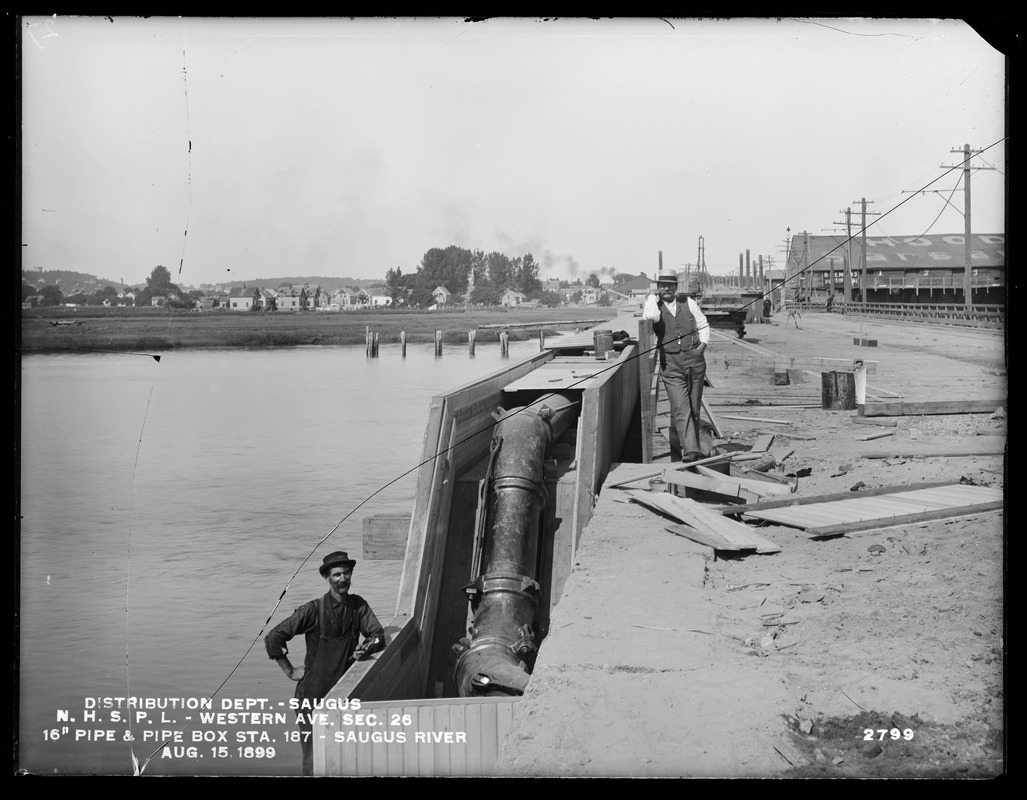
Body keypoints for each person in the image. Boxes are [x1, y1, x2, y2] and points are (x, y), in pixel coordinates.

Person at [265, 551, 385, 775]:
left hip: (344, 693)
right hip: (311, 699)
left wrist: (365, 647)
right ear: (327, 578)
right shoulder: (312, 610)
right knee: (312, 759)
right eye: (337, 575)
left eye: (346, 573)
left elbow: (378, 635)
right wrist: (290, 671)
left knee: (345, 756)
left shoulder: (358, 606)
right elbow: (274, 637)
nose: (342, 579)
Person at [643, 270, 710, 463]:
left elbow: (703, 324)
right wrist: (650, 295)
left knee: (694, 408)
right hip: (671, 365)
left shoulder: (688, 303)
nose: (666, 288)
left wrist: (702, 347)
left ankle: (694, 447)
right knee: (681, 407)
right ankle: (691, 451)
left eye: (670, 285)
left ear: (676, 287)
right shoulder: (654, 306)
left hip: (695, 361)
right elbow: (650, 317)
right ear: (658, 287)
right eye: (662, 285)